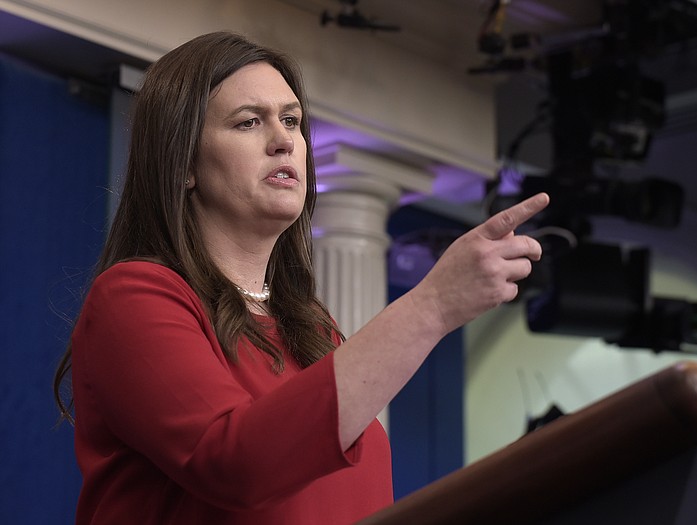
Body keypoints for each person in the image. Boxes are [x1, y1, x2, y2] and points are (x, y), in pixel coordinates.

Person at [53, 31, 549, 525]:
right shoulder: (134, 297)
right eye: (249, 122)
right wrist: (433, 306)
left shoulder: (311, 328)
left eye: (291, 120)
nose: (284, 140)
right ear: (183, 163)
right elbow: (235, 463)